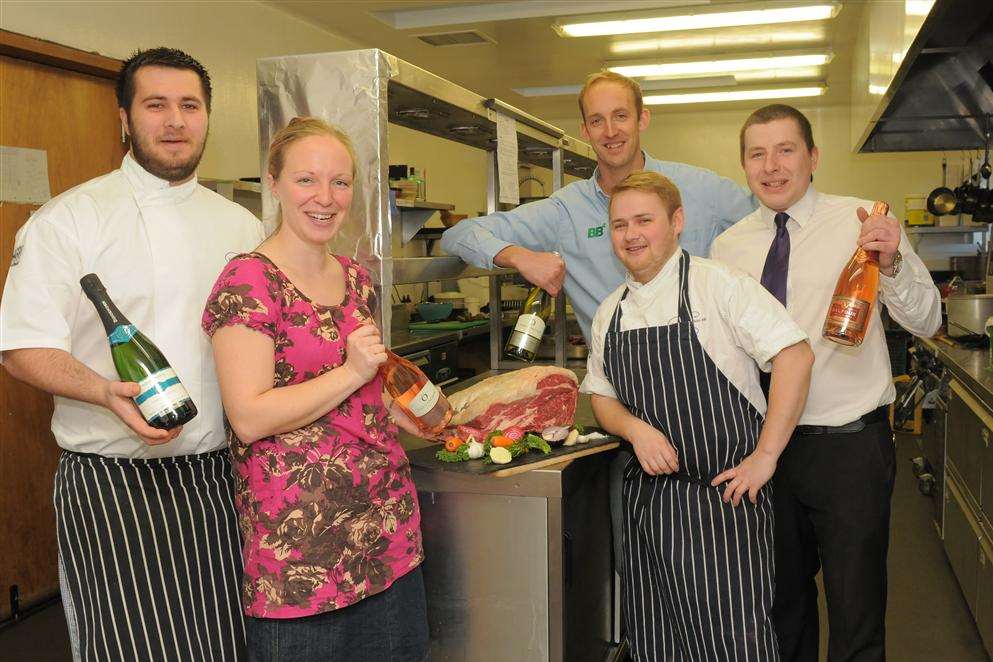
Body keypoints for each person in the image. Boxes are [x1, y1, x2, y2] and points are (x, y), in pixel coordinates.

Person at [0, 48, 262, 660]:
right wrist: (103, 391)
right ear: (124, 118)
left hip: (219, 476)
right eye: (156, 105)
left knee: (225, 640)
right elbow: (20, 346)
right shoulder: (68, 219)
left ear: (206, 118)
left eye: (189, 106)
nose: (175, 121)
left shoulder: (242, 228)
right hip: (112, 482)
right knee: (127, 646)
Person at [710, 104, 942, 662]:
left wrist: (892, 267)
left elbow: (928, 320)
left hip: (848, 449)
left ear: (813, 158)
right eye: (757, 154)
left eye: (785, 150)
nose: (771, 166)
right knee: (780, 609)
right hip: (764, 452)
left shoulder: (864, 224)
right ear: (743, 164)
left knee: (855, 612)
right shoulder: (727, 248)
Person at [202, 117, 429, 662]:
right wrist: (350, 372)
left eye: (341, 182)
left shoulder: (356, 278)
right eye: (307, 180)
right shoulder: (248, 281)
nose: (326, 198)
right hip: (301, 554)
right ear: (274, 183)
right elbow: (250, 416)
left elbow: (368, 390)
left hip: (388, 531)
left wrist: (421, 414)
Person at [582, 170, 813, 661]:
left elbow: (795, 355)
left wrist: (766, 456)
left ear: (677, 221)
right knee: (657, 638)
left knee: (735, 642)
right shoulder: (612, 312)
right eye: (620, 225)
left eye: (644, 220)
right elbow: (601, 396)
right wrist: (634, 429)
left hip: (725, 504)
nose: (631, 234)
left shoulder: (720, 287)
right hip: (651, 509)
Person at [440, 70, 756, 342]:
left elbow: (772, 221)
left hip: (704, 384)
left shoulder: (700, 188)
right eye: (597, 120)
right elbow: (459, 234)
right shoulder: (566, 211)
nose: (610, 131)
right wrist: (519, 256)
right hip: (618, 389)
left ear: (642, 119)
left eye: (621, 116)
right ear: (585, 130)